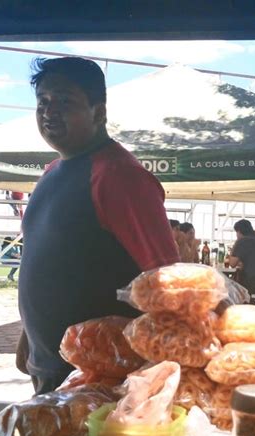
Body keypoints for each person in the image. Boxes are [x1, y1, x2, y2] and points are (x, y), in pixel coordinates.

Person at [18, 56, 179, 394]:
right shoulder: (51, 173)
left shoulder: (118, 175)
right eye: (43, 102)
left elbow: (167, 279)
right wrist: (28, 340)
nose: (49, 112)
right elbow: (43, 262)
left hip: (99, 380)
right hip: (51, 367)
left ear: (99, 112)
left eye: (65, 101)